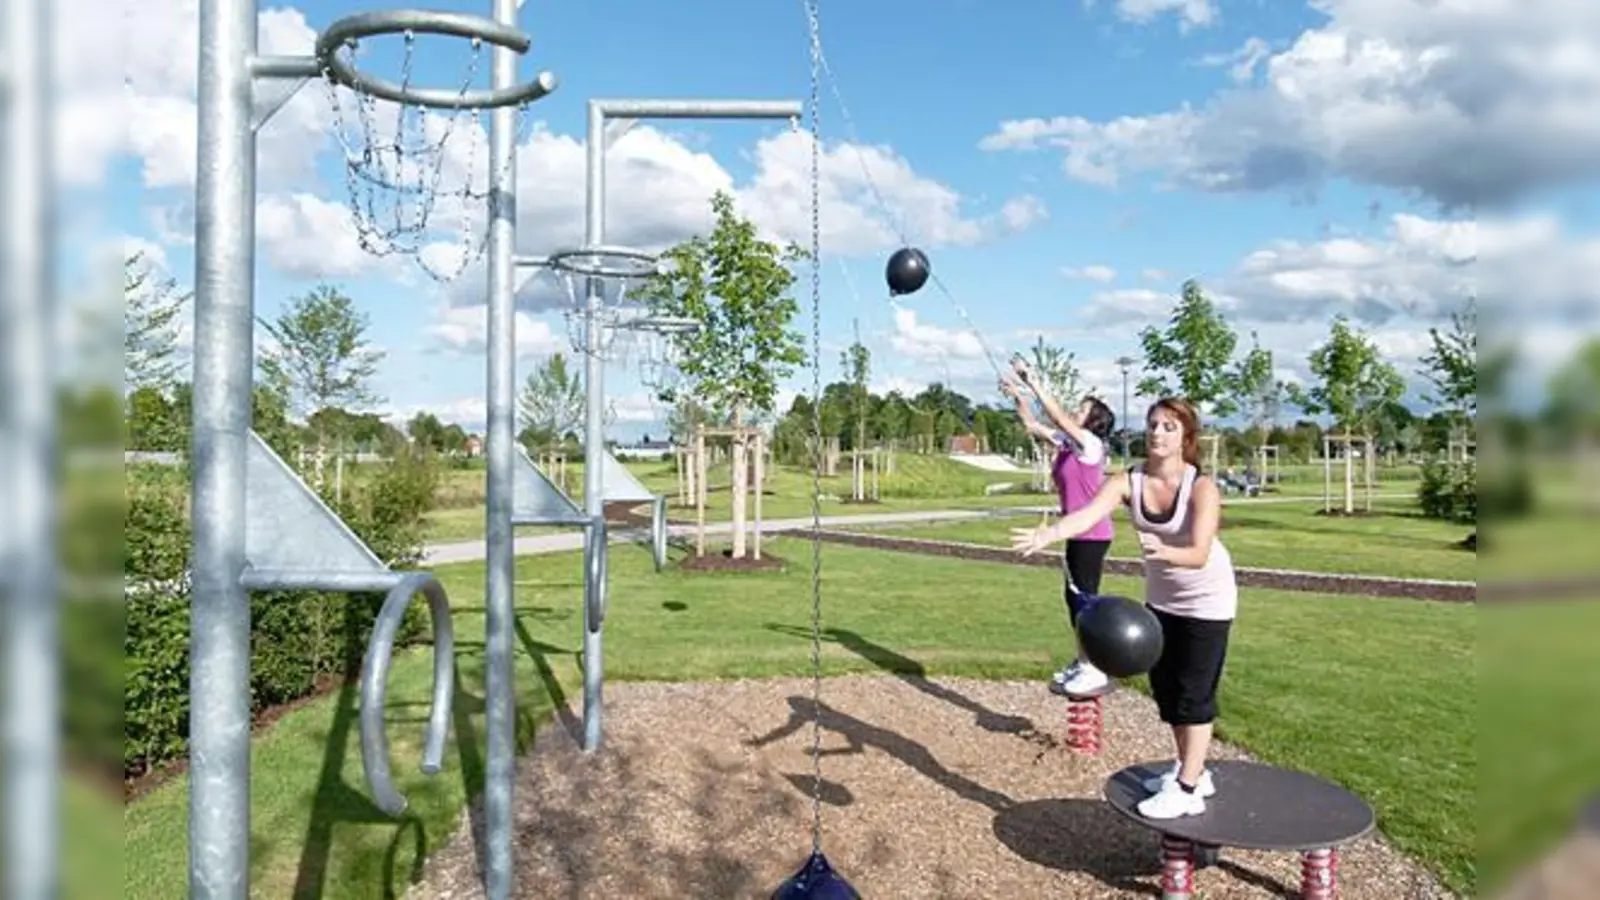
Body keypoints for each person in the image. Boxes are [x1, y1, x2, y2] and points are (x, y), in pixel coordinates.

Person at [1010, 397, 1238, 821]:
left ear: (1186, 437)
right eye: (1153, 424)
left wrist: (1166, 552)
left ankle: (1188, 788)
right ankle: (1192, 768)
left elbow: (1200, 552)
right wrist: (1049, 534)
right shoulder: (1128, 480)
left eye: (1169, 426)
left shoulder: (1201, 487)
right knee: (1167, 691)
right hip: (1164, 598)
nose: (1157, 432)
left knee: (1194, 694)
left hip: (1209, 600)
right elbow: (1087, 515)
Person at [1000, 357, 1117, 696]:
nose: (1075, 411)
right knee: (1074, 597)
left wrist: (1031, 379)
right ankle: (1085, 662)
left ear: (1093, 421)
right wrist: (1017, 397)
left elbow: (1056, 418)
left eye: (1082, 409)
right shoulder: (1069, 445)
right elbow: (1033, 425)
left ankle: (1093, 666)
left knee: (1084, 599)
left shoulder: (1091, 446)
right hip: (1075, 531)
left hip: (1091, 533)